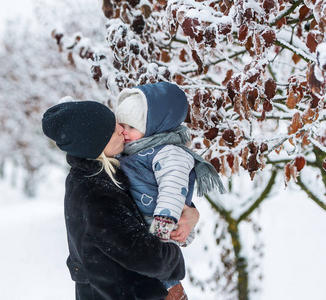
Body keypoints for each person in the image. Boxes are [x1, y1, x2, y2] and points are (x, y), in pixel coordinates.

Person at [42, 100, 198, 300]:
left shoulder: (101, 175)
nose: (122, 131)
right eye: (112, 130)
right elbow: (146, 256)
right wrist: (172, 256)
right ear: (95, 142)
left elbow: (150, 199)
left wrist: (190, 212)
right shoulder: (96, 193)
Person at [115, 81, 226, 298]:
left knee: (159, 265)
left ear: (155, 126)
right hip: (140, 221)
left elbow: (172, 188)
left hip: (158, 222)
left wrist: (163, 224)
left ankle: (173, 291)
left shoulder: (169, 153)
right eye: (122, 125)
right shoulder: (135, 150)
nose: (125, 133)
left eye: (132, 127)